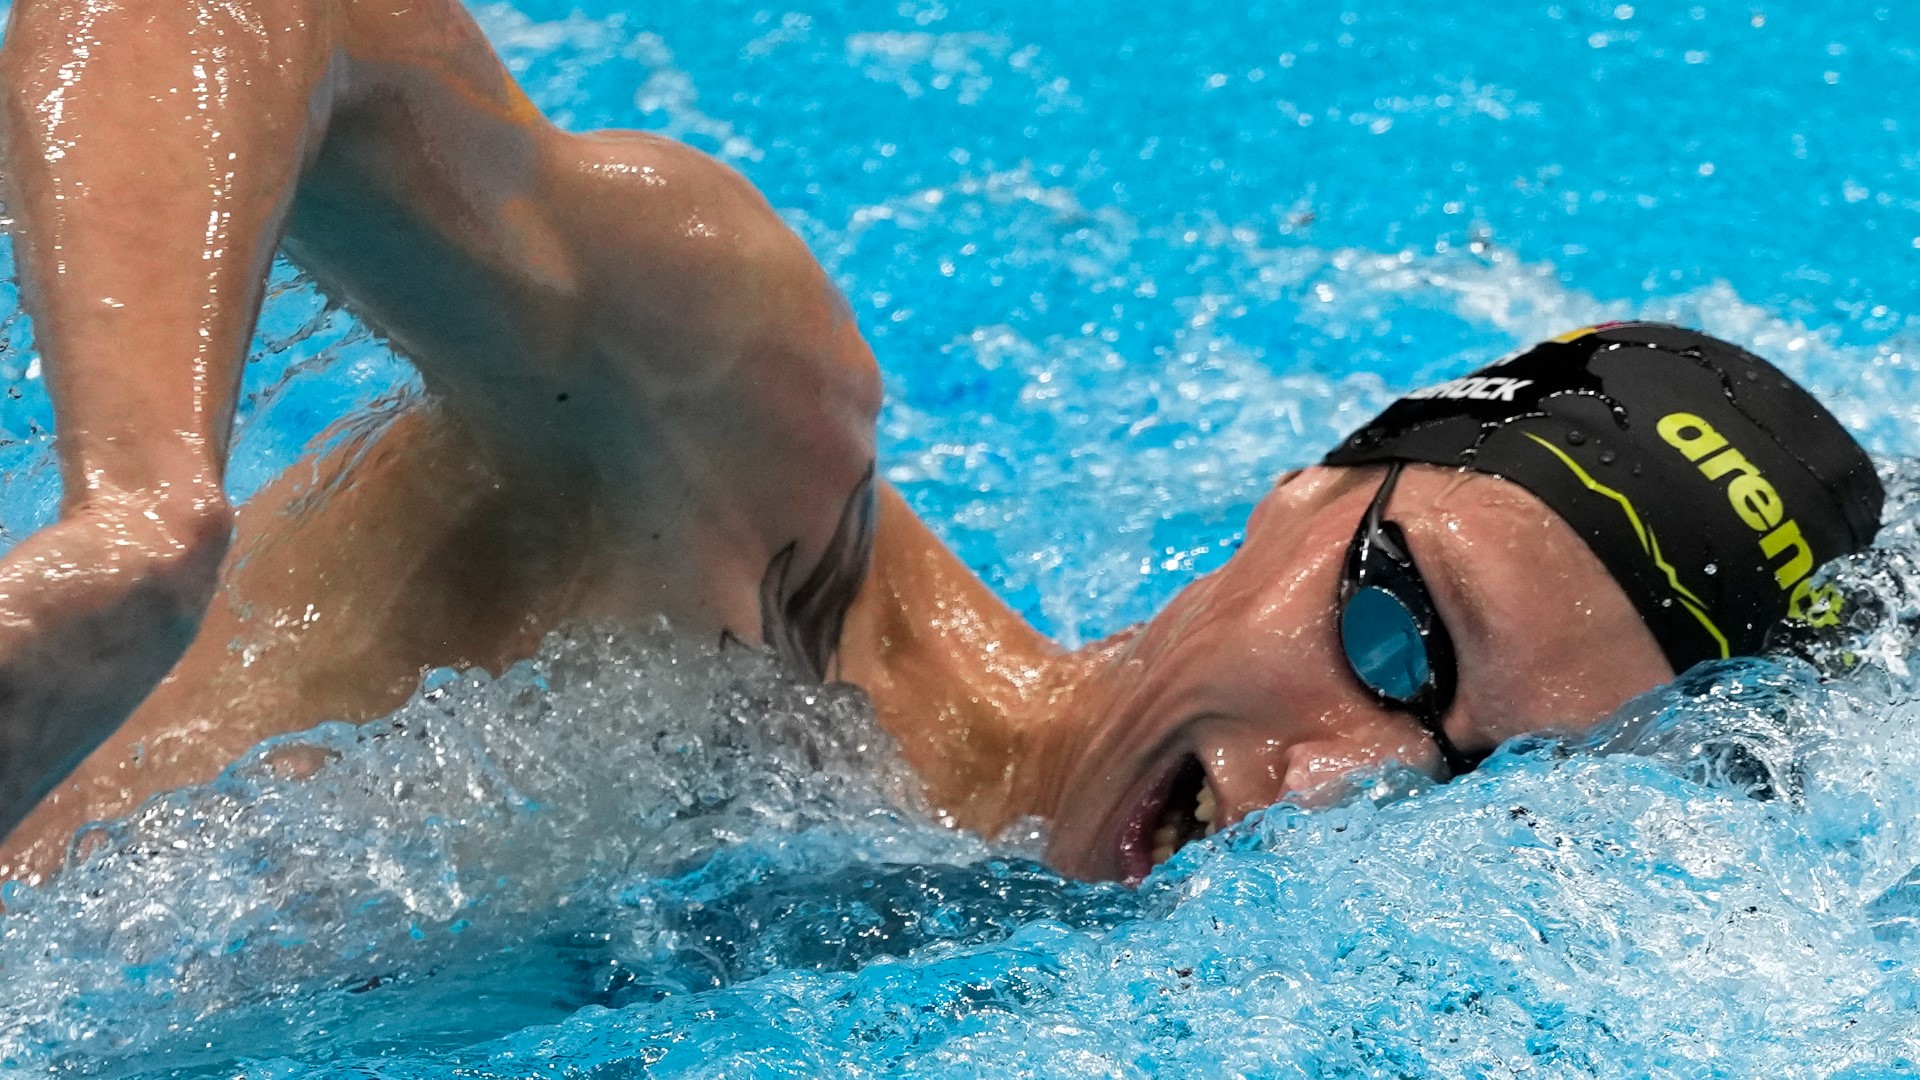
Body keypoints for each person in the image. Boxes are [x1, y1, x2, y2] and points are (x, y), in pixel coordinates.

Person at [0, 0, 1882, 886]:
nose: (1336, 785)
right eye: (1396, 639)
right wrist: (135, 511)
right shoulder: (736, 469)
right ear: (1305, 492)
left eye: (1460, 780)